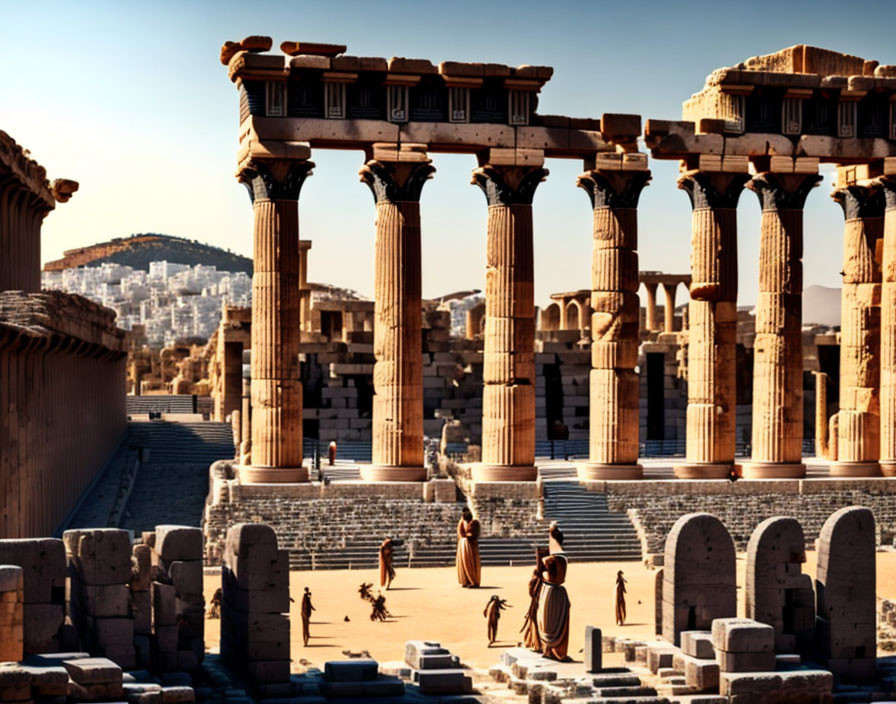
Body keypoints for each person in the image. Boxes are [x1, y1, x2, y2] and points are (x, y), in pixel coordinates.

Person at [537, 522, 570, 661]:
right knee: (557, 621)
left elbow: (544, 574)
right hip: (560, 593)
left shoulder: (550, 560)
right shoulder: (563, 559)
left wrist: (539, 560)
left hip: (550, 591)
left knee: (548, 621)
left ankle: (549, 649)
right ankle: (556, 651)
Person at [521, 545, 548, 651]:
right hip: (539, 601)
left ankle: (537, 643)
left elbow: (531, 591)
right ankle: (536, 642)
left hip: (539, 601)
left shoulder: (539, 575)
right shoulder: (542, 575)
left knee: (538, 620)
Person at [456, 507, 481, 588]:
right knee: (464, 564)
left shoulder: (474, 522)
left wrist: (467, 535)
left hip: (469, 545)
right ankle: (465, 580)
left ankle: (473, 581)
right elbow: (460, 532)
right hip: (463, 544)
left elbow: (473, 534)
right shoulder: (462, 522)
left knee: (469, 563)